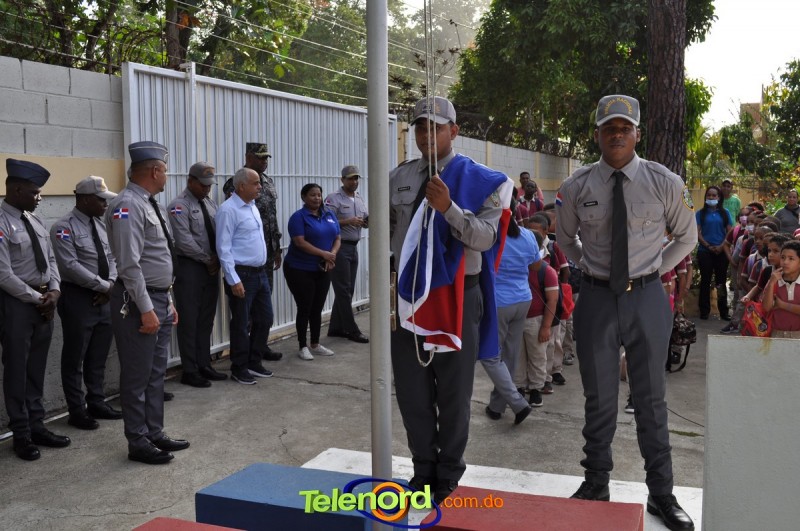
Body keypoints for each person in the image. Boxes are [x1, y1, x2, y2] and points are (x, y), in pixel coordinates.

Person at [557, 94, 697, 531]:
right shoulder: (577, 186)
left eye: (624, 127)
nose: (617, 134)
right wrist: (590, 267)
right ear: (597, 134)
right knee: (598, 397)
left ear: (637, 133)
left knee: (651, 399)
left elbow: (687, 237)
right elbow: (565, 240)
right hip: (597, 298)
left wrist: (654, 269)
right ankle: (596, 482)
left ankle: (661, 494)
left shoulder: (664, 182)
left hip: (647, 299)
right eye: (609, 128)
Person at [390, 96, 513, 504]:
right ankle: (422, 470)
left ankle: (448, 475)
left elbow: (486, 238)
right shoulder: (400, 177)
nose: (426, 134)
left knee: (454, 392)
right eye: (420, 127)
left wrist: (449, 209)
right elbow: (391, 232)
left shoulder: (479, 179)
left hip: (459, 294)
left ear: (454, 131)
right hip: (410, 297)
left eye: (436, 127)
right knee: (412, 390)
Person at [106, 141, 189, 465]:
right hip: (138, 302)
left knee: (156, 373)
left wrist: (167, 300)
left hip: (158, 297)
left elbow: (159, 258)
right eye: (165, 170)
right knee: (137, 375)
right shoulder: (127, 205)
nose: (167, 175)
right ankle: (137, 440)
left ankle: (154, 432)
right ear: (154, 171)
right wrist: (147, 309)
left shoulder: (150, 204)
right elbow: (129, 265)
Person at [0, 159, 69, 461]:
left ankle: (37, 425)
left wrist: (54, 290)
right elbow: (3, 274)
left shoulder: (35, 220)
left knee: (36, 367)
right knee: (17, 369)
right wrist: (37, 298)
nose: (39, 198)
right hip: (17, 305)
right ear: (16, 190)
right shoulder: (2, 223)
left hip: (44, 302)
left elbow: (51, 260)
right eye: (34, 192)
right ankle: (21, 434)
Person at [50, 175, 122, 431]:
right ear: (85, 199)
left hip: (104, 297)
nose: (105, 205)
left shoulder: (101, 226)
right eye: (101, 200)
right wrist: (104, 286)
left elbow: (113, 257)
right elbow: (69, 266)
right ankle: (77, 410)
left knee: (98, 355)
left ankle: (97, 402)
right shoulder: (63, 227)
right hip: (79, 297)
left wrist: (110, 284)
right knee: (75, 357)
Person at [223, 143, 283, 361]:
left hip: (264, 254)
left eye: (266, 158)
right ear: (248, 157)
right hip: (245, 259)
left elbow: (272, 217)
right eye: (260, 157)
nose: (265, 161)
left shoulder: (268, 181)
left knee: (263, 311)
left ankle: (259, 347)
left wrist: (276, 248)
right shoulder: (235, 184)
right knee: (244, 313)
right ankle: (244, 353)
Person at [168, 162, 226, 388]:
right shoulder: (178, 206)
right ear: (190, 181)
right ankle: (190, 370)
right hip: (190, 267)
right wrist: (207, 259)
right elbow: (183, 241)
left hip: (211, 267)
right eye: (203, 185)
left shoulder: (210, 203)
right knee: (189, 320)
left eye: (209, 185)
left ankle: (204, 364)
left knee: (206, 319)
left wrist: (217, 259)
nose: (206, 189)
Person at [216, 168, 275, 385]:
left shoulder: (252, 206)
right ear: (241, 186)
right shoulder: (228, 210)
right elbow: (223, 248)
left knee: (265, 318)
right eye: (256, 183)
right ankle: (239, 367)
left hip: (260, 273)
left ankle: (254, 361)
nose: (260, 186)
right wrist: (233, 279)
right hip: (242, 274)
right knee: (241, 323)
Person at [483, 203, 537, 425]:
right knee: (510, 355)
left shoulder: (490, 234)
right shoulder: (527, 235)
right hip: (523, 299)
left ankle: (517, 403)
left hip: (499, 302)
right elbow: (536, 266)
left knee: (489, 355)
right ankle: (496, 407)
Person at [284, 183, 340, 360]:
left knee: (317, 307)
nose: (316, 198)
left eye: (319, 195)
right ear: (303, 197)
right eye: (312, 195)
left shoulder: (329, 214)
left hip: (323, 268)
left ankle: (315, 343)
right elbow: (300, 242)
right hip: (300, 269)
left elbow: (337, 237)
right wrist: (323, 254)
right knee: (305, 307)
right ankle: (302, 346)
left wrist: (331, 255)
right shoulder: (298, 217)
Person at [325, 165, 369, 343]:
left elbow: (365, 219)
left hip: (353, 247)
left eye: (356, 178)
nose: (354, 181)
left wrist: (366, 222)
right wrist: (348, 221)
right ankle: (352, 330)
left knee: (347, 290)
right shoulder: (333, 198)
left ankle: (336, 328)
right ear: (342, 180)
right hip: (339, 247)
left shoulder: (358, 198)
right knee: (343, 290)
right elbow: (327, 222)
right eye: (350, 178)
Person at [695, 185, 732, 320]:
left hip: (721, 251)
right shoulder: (700, 213)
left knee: (720, 282)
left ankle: (723, 311)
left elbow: (730, 231)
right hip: (705, 251)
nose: (711, 197)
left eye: (714, 195)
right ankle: (704, 311)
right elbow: (697, 232)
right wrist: (708, 245)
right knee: (705, 280)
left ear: (719, 197)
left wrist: (722, 246)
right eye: (709, 195)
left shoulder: (725, 213)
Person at [762, 240, 800, 337]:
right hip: (776, 334)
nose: (785, 262)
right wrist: (771, 283)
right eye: (783, 257)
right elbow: (766, 307)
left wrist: (782, 305)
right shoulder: (774, 280)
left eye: (791, 259)